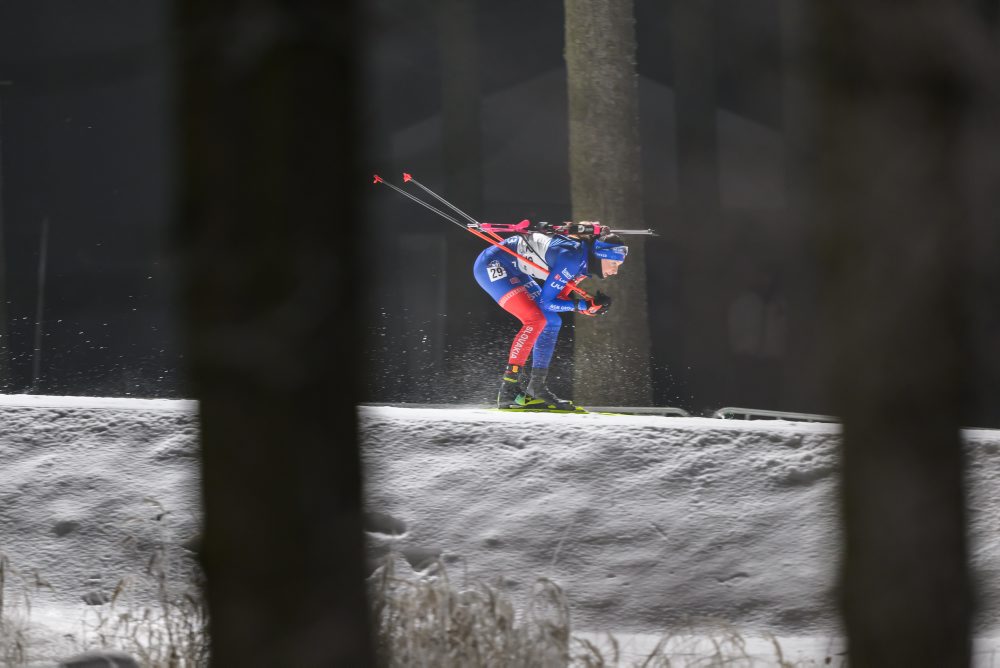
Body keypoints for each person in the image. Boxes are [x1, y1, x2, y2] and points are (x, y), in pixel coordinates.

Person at [472, 224, 629, 411]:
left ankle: (536, 388)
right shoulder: (572, 258)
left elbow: (559, 297)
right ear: (602, 256)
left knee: (552, 321)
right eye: (613, 264)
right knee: (536, 320)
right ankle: (508, 389)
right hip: (493, 263)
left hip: (515, 267)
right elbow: (547, 302)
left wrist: (586, 307)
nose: (615, 271)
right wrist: (581, 306)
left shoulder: (582, 263)